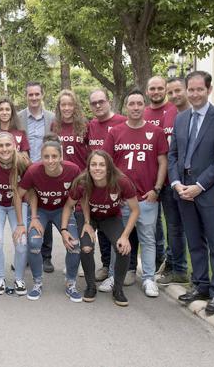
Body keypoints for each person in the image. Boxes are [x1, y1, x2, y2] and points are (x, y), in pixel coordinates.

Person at [169, 71, 214, 315]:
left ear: (208, 90)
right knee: (194, 242)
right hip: (183, 191)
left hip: (208, 192)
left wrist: (200, 185)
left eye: (199, 90)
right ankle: (201, 285)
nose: (195, 94)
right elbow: (173, 154)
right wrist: (176, 183)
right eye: (191, 90)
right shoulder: (181, 119)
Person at [104, 89, 168, 298]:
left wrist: (156, 189)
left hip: (146, 197)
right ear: (126, 107)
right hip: (122, 199)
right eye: (132, 104)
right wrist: (114, 191)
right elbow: (108, 164)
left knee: (148, 239)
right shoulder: (115, 132)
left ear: (145, 105)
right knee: (118, 239)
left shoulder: (156, 132)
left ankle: (149, 278)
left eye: (140, 103)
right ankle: (114, 275)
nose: (136, 107)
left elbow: (162, 162)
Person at [62, 150, 139, 306]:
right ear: (88, 167)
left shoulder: (121, 181)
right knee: (86, 248)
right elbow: (69, 205)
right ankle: (91, 286)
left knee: (123, 248)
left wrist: (125, 236)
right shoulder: (82, 181)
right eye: (94, 164)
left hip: (110, 217)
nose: (97, 168)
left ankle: (118, 289)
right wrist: (64, 230)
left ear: (109, 167)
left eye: (102, 165)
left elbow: (135, 210)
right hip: (86, 217)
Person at [17, 134, 82, 301]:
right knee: (34, 243)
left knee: (74, 244)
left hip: (63, 210)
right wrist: (28, 219)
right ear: (41, 157)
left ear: (61, 156)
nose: (51, 160)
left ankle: (71, 283)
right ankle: (37, 282)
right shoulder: (33, 171)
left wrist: (70, 227)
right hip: (41, 211)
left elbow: (81, 197)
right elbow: (18, 195)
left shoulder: (73, 170)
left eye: (54, 156)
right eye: (46, 156)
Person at [86, 89, 128, 283]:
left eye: (101, 101)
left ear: (109, 101)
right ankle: (105, 266)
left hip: (117, 184)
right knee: (101, 230)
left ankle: (125, 270)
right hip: (96, 184)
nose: (98, 105)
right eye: (94, 103)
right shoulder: (90, 126)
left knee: (118, 228)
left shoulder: (121, 122)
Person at [0, 132, 30, 295]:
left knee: (22, 242)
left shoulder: (23, 162)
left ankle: (19, 278)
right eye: (0, 146)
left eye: (8, 145)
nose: (4, 149)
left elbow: (30, 190)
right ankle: (0, 278)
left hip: (18, 205)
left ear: (15, 146)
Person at [17, 82, 56, 274]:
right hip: (24, 171)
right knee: (26, 213)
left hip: (45, 171)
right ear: (26, 96)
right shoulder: (18, 117)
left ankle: (46, 256)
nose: (33, 98)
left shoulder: (51, 118)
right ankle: (25, 254)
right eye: (30, 95)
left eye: (36, 94)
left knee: (45, 211)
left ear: (42, 95)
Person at [156, 77, 191, 286]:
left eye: (178, 90)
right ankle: (176, 268)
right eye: (171, 92)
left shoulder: (195, 114)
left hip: (192, 182)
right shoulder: (169, 114)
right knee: (173, 227)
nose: (175, 95)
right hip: (171, 181)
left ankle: (186, 271)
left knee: (190, 228)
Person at [144, 76, 177, 271]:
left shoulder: (175, 110)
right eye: (152, 89)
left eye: (159, 88)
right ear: (147, 91)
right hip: (151, 180)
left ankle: (173, 264)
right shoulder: (144, 113)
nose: (156, 92)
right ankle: (157, 262)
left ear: (165, 89)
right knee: (153, 226)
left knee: (173, 226)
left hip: (172, 179)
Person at [51, 89, 89, 170]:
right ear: (59, 107)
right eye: (63, 105)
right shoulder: (54, 125)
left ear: (75, 106)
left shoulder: (84, 125)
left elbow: (90, 150)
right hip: (62, 172)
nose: (66, 108)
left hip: (81, 172)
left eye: (70, 105)